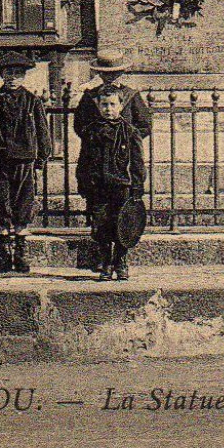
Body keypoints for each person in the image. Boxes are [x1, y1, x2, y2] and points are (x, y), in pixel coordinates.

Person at [74, 51, 152, 280]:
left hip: (121, 171)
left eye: (115, 73)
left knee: (123, 221)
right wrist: (98, 136)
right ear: (99, 73)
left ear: (122, 72)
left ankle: (120, 261)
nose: (110, 78)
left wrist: (125, 142)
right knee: (100, 222)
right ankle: (104, 262)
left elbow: (144, 124)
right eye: (105, 74)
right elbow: (80, 126)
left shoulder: (131, 96)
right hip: (99, 172)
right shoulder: (90, 96)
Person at [0, 53, 50, 273]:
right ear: (1, 75)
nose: (13, 78)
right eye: (9, 73)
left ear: (24, 76)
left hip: (24, 159)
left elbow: (42, 131)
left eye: (17, 74)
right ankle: (4, 254)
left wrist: (41, 158)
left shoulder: (32, 101)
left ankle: (20, 253)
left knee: (23, 202)